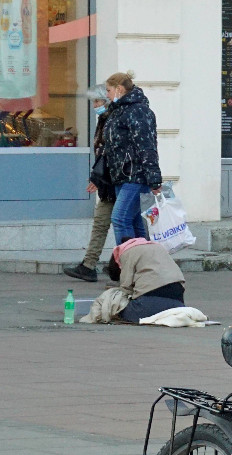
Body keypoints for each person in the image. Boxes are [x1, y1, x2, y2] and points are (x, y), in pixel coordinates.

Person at [103, 71, 162, 244]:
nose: (106, 95)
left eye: (108, 90)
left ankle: (127, 262)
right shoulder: (119, 111)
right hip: (122, 176)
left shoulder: (138, 111)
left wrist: (154, 179)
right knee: (135, 222)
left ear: (119, 89)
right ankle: (142, 264)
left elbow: (147, 146)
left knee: (120, 219)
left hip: (135, 176)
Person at [64, 84, 115, 282]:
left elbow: (107, 153)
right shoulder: (104, 119)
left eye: (97, 101)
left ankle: (131, 265)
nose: (95, 105)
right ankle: (89, 265)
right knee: (103, 224)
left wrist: (98, 177)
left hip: (114, 183)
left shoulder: (110, 120)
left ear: (107, 100)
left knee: (121, 226)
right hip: (109, 183)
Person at [106, 238, 186, 323]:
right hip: (179, 304)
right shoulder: (158, 247)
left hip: (149, 303)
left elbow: (126, 288)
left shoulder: (126, 252)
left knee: (119, 311)